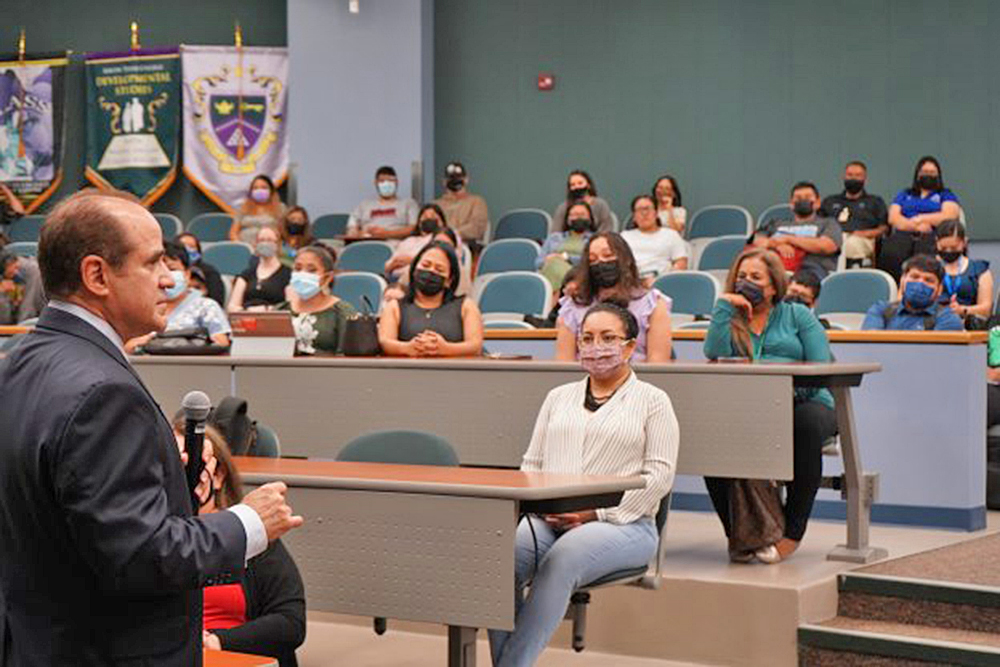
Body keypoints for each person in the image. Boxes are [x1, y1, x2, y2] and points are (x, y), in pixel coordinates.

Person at [0, 188, 301, 666]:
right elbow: (139, 557)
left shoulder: (16, 365)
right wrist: (246, 523)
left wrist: (155, 478)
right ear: (96, 274)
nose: (169, 279)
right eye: (154, 263)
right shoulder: (104, 392)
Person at [488, 302, 678, 666]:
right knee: (500, 558)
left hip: (625, 525)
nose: (596, 346)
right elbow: (532, 464)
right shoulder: (557, 397)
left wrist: (594, 512)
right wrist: (544, 507)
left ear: (629, 345)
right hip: (550, 521)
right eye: (587, 338)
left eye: (608, 338)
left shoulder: (654, 402)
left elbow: (659, 478)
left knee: (564, 557)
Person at [703, 247, 836, 563]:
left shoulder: (797, 315)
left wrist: (782, 393)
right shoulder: (731, 318)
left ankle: (792, 531)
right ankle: (739, 533)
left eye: (755, 277)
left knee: (804, 425)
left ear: (773, 285)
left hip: (808, 402)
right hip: (749, 408)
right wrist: (724, 307)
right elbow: (712, 350)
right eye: (741, 276)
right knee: (710, 437)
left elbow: (821, 368)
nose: (746, 282)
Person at [168, 420, 306, 667]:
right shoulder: (158, 539)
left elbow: (290, 623)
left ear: (218, 475)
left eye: (192, 467)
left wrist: (217, 642)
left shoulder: (249, 531)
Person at [555, 231, 673, 362]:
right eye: (593, 260)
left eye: (608, 256)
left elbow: (658, 364)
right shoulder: (573, 305)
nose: (601, 263)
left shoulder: (652, 304)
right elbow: (564, 363)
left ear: (626, 259)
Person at [378, 240, 484, 357]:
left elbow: (475, 345)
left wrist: (446, 349)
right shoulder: (395, 307)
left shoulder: (466, 306)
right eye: (425, 265)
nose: (431, 271)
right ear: (414, 269)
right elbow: (385, 342)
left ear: (449, 280)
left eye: (439, 269)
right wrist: (408, 348)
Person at [124, 240, 232, 352]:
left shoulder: (206, 307)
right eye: (157, 270)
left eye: (172, 269)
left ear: (187, 274)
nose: (166, 277)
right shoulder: (141, 307)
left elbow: (221, 343)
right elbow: (126, 346)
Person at [878, 156, 962, 281]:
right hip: (903, 235)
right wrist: (915, 226)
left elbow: (949, 215)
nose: (928, 175)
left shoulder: (945, 194)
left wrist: (921, 218)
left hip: (932, 236)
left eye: (932, 173)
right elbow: (893, 217)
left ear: (938, 176)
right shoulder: (905, 194)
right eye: (925, 172)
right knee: (890, 253)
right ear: (918, 175)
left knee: (924, 258)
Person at [279, 244, 357, 355]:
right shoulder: (281, 310)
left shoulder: (342, 311)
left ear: (327, 277)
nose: (303, 274)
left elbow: (347, 356)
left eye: (311, 270)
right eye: (297, 268)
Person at [754, 181, 842, 278]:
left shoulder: (828, 223)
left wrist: (789, 239)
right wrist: (776, 244)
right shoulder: (775, 223)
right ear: (791, 204)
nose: (803, 200)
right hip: (774, 270)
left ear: (818, 202)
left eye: (808, 197)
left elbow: (827, 246)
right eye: (798, 198)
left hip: (811, 271)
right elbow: (756, 241)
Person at [862, 254, 964, 331]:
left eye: (928, 280)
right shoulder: (880, 310)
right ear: (902, 280)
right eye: (914, 277)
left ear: (939, 289)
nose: (920, 283)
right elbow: (870, 346)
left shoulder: (948, 319)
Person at [819, 161, 889, 268]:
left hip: (862, 239)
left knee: (851, 244)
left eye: (858, 175)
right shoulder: (830, 201)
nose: (853, 178)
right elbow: (819, 223)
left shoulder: (875, 201)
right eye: (850, 175)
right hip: (832, 238)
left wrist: (866, 233)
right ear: (844, 177)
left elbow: (884, 228)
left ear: (865, 179)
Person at [620, 194, 688, 284]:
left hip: (663, 283)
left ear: (656, 214)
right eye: (640, 210)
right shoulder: (624, 237)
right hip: (633, 283)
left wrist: (662, 281)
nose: (644, 213)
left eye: (647, 209)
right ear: (634, 217)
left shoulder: (671, 235)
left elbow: (681, 263)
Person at [935, 219, 993, 321]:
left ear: (964, 243)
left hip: (968, 325)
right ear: (937, 242)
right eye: (943, 248)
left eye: (953, 248)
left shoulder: (979, 269)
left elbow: (986, 309)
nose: (948, 251)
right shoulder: (927, 268)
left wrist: (962, 310)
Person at [536, 200, 596, 294]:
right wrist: (548, 259)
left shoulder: (595, 239)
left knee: (555, 263)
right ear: (568, 219)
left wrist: (566, 257)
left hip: (580, 275)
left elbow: (591, 260)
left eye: (582, 214)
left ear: (590, 218)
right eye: (574, 214)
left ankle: (552, 301)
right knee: (553, 264)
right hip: (550, 271)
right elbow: (538, 263)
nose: (578, 217)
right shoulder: (554, 237)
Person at [228, 226, 292, 312]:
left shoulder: (288, 274)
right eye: (262, 240)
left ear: (277, 244)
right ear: (256, 244)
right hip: (247, 318)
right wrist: (247, 311)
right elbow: (232, 306)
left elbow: (290, 306)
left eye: (269, 240)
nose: (265, 244)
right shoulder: (246, 274)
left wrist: (268, 309)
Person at [346, 166, 418, 240]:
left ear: (397, 182)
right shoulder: (364, 205)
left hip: (394, 244)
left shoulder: (409, 204)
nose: (386, 184)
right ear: (376, 182)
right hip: (366, 243)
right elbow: (352, 227)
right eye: (382, 181)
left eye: (390, 180)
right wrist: (361, 233)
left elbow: (413, 228)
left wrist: (386, 234)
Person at [434, 161, 490, 245]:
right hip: (438, 246)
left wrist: (452, 235)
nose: (455, 181)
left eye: (458, 178)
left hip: (465, 246)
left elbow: (477, 228)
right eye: (451, 178)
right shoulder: (435, 205)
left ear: (466, 180)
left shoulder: (476, 202)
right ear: (444, 182)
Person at [230, 174, 287, 244]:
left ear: (271, 190)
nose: (259, 190)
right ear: (251, 192)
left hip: (270, 247)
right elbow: (233, 233)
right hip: (245, 249)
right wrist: (241, 247)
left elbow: (284, 233)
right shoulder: (243, 208)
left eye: (264, 187)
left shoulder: (280, 208)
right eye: (255, 188)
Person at [176, 232, 226, 306]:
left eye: (192, 246)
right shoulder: (168, 270)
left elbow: (216, 300)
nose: (187, 249)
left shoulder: (209, 272)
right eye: (183, 246)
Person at [0, 248, 45, 324]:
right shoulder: (6, 279)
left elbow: (26, 315)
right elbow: (4, 320)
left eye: (17, 268)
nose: (16, 272)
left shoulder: (33, 271)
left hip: (26, 325)